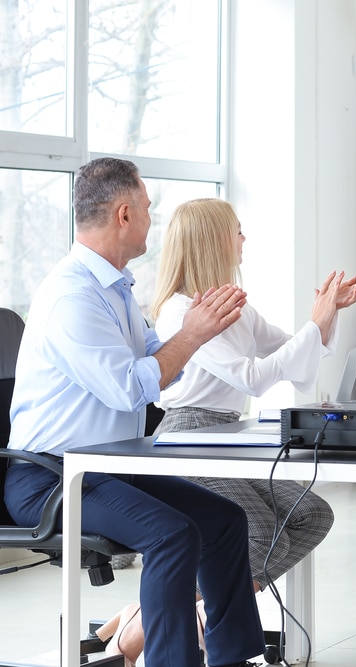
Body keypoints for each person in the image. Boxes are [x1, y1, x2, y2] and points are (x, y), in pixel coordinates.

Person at [2, 157, 264, 667]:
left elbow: (160, 369)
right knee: (173, 533)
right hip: (51, 478)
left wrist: (197, 332)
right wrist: (190, 336)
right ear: (125, 215)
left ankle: (231, 659)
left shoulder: (117, 288)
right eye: (147, 208)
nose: (151, 218)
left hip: (104, 466)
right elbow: (129, 389)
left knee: (224, 519)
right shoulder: (73, 296)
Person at [151, 197, 356, 590]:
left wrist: (328, 311)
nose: (244, 238)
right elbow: (253, 379)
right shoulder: (180, 311)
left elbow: (291, 348)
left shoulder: (233, 305)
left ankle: (201, 614)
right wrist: (315, 323)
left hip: (225, 434)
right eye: (237, 231)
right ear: (213, 241)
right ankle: (167, 620)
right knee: (263, 534)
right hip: (187, 436)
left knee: (312, 515)